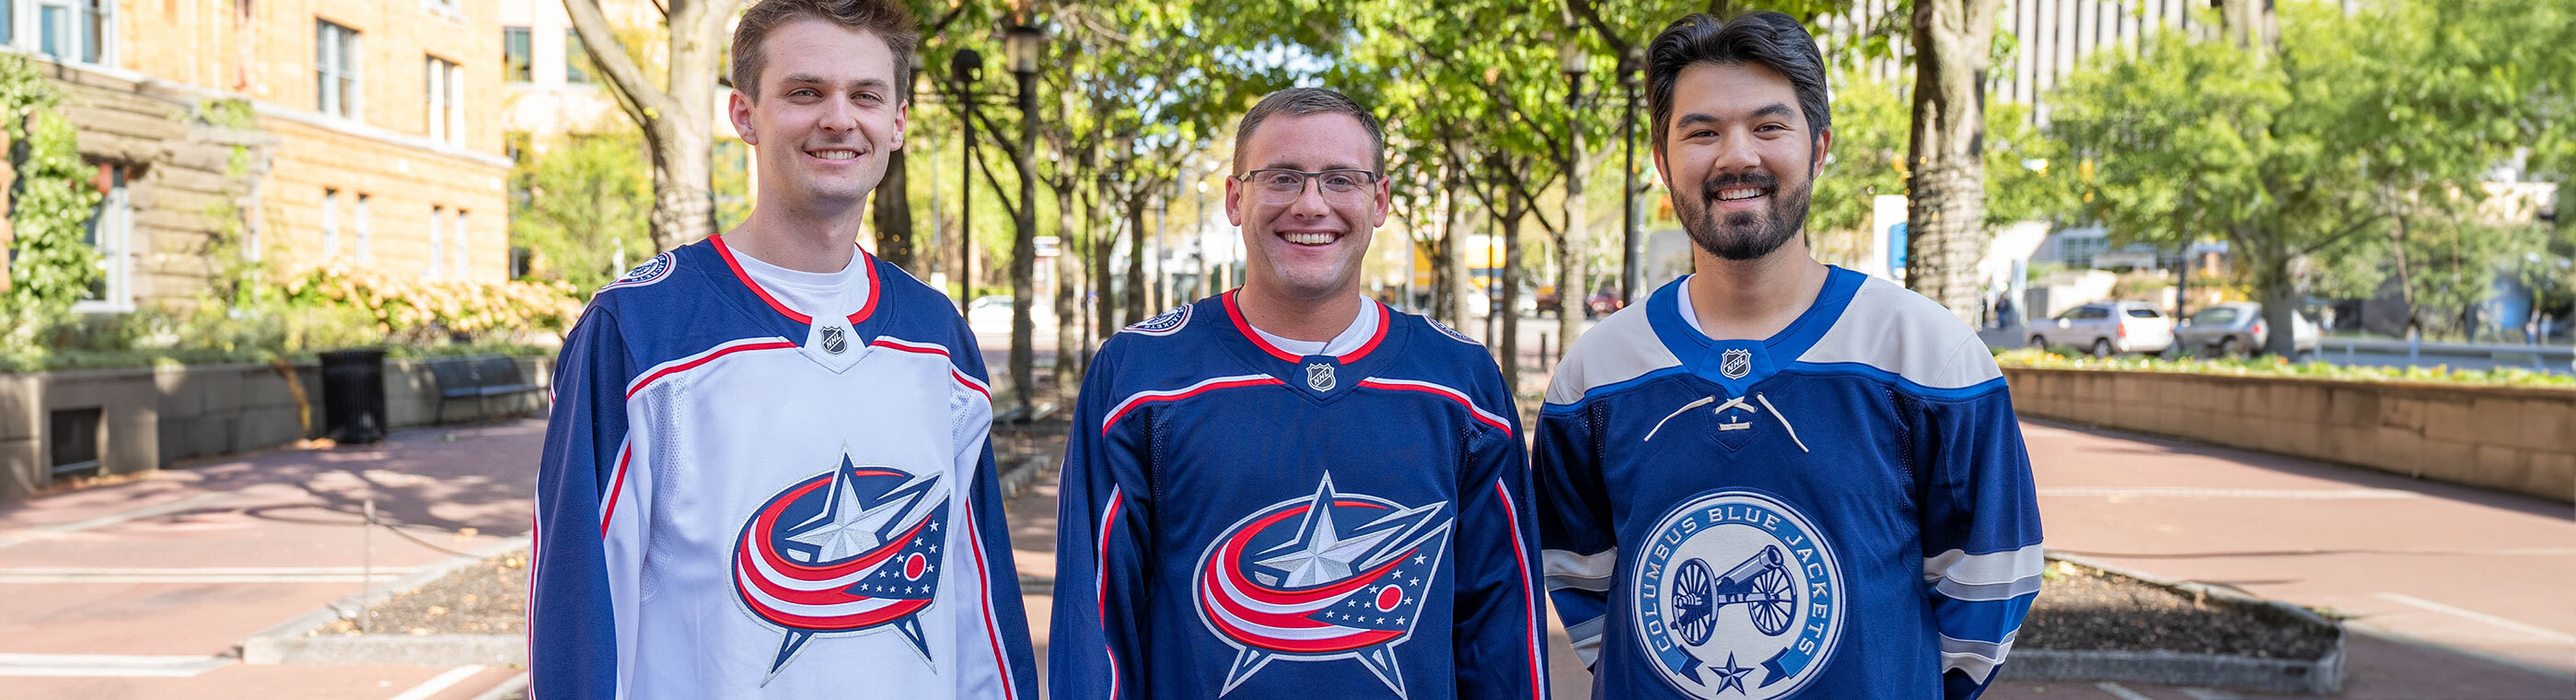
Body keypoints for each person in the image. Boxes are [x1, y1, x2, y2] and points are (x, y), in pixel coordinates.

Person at [529, 1, 1039, 697]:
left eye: (865, 95)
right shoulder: (640, 330)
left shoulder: (937, 335)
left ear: (897, 122)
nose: (838, 118)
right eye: (805, 92)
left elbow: (974, 600)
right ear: (744, 115)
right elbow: (579, 614)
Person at [1532, 12, 2043, 700]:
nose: (1736, 156)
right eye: (1702, 131)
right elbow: (1579, 577)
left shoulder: (1929, 355)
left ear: (1819, 148)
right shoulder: (1595, 375)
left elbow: (1991, 576)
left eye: (1769, 128)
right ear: (1661, 159)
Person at [1049, 88, 1549, 700]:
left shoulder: (1459, 382)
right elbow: (1095, 618)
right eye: (1282, 177)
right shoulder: (1140, 376)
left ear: (1380, 200)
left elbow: (1501, 629)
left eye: (1341, 180)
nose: (1312, 205)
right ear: (1236, 198)